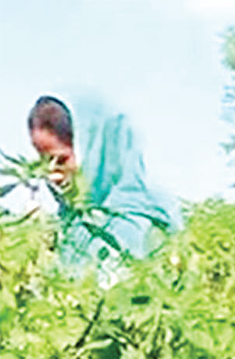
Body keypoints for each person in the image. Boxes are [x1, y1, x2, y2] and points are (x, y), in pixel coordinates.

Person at [27, 93, 180, 265]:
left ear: (94, 153)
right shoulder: (67, 229)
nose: (53, 176)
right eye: (44, 162)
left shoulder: (144, 222)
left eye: (62, 161)